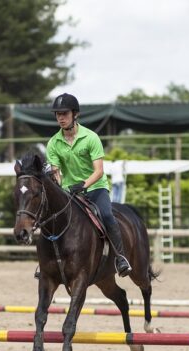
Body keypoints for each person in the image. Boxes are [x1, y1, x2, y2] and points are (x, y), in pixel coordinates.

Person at [45, 93, 132, 277]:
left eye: (65, 113)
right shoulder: (53, 143)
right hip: (70, 191)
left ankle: (120, 257)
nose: (61, 117)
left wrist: (83, 185)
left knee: (107, 216)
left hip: (95, 187)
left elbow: (99, 170)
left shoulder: (91, 138)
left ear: (75, 114)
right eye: (58, 114)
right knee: (52, 219)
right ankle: (46, 262)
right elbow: (56, 172)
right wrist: (58, 185)